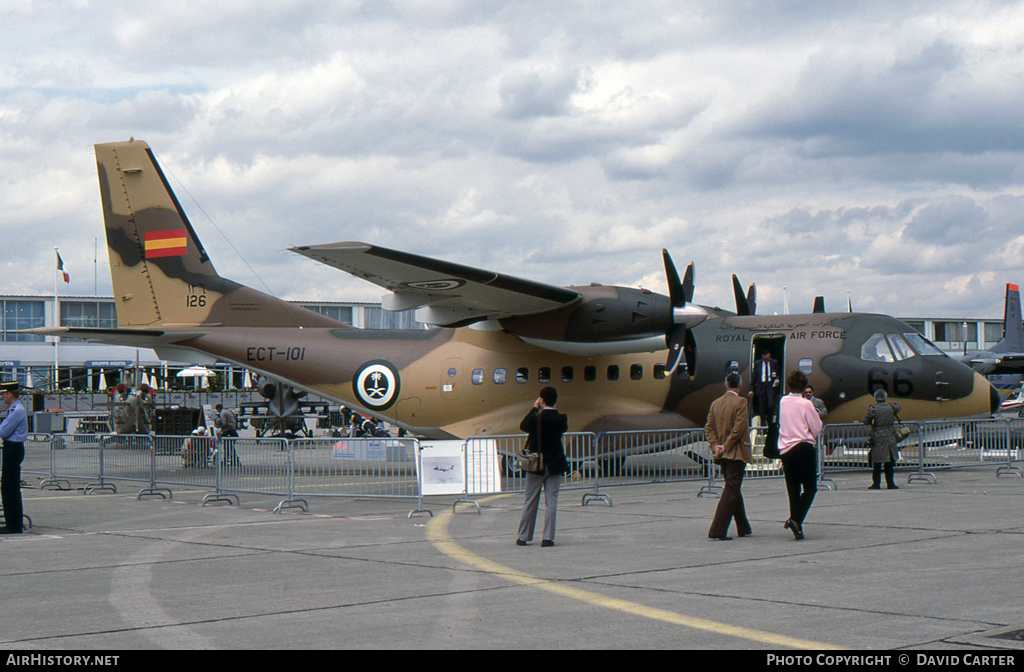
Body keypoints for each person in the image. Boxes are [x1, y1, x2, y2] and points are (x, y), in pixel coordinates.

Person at [516, 386, 569, 547]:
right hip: (554, 464)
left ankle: (523, 536)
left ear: (541, 400)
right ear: (555, 400)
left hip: (536, 464)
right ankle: (547, 538)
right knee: (551, 502)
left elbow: (523, 425)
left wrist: (534, 408)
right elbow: (562, 429)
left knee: (530, 500)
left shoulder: (535, 418)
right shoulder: (561, 419)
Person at [705, 373, 753, 541]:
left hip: (722, 453)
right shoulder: (741, 402)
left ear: (726, 384)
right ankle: (718, 529)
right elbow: (739, 428)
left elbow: (709, 428)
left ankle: (743, 527)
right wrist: (726, 445)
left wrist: (716, 446)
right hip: (736, 452)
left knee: (733, 487)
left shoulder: (715, 403)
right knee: (731, 490)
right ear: (739, 386)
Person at [778, 370, 823, 540]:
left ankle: (797, 525)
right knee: (810, 488)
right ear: (804, 387)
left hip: (786, 448)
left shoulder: (782, 401)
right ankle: (795, 519)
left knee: (793, 489)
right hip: (803, 446)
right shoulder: (806, 404)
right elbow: (817, 428)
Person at [0, 382, 28, 534]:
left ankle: (14, 525)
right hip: (11, 447)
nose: (3, 397)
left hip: (13, 447)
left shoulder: (17, 410)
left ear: (9, 394)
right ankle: (11, 522)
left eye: (3, 394)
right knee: (7, 486)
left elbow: (3, 431)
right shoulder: (13, 409)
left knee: (10, 487)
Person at [863, 389, 901, 490]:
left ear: (875, 398)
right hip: (890, 437)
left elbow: (865, 421)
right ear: (885, 397)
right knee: (889, 464)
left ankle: (876, 484)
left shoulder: (873, 409)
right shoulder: (892, 407)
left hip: (878, 437)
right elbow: (898, 407)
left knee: (877, 464)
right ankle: (891, 484)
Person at [749, 349, 781, 426]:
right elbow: (754, 377)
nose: (766, 361)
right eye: (765, 359)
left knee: (770, 404)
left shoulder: (774, 363)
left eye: (768, 359)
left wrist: (777, 380)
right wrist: (751, 390)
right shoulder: (757, 364)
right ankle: (763, 424)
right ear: (762, 357)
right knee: (761, 406)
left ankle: (770, 422)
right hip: (761, 386)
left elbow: (778, 374)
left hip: (770, 385)